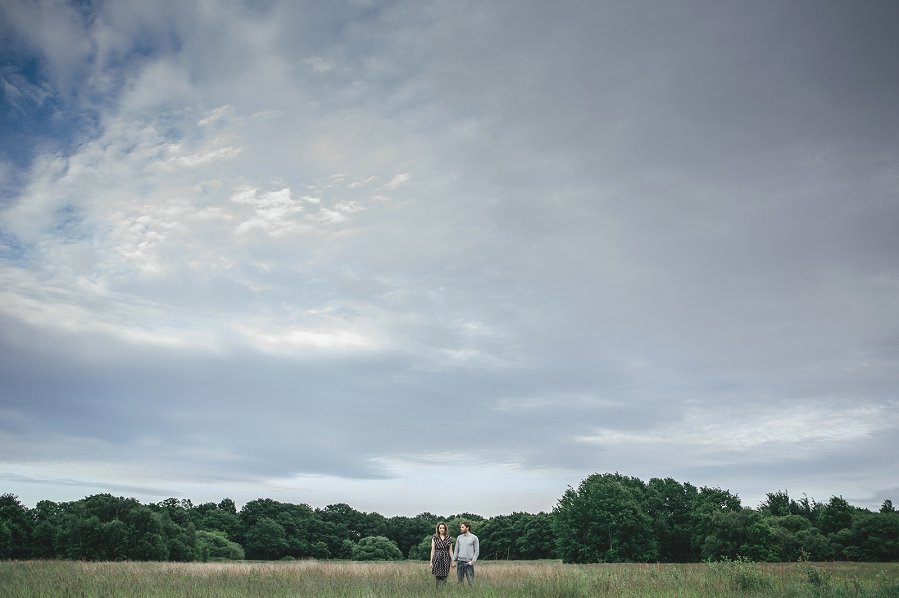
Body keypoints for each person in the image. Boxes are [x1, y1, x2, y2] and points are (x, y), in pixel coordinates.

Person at [429, 522, 454, 587]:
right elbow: (433, 550)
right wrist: (431, 562)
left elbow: (450, 551)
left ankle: (444, 589)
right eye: (440, 528)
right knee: (437, 576)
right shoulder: (434, 538)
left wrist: (453, 561)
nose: (442, 529)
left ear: (445, 529)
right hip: (437, 557)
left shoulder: (449, 538)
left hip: (446, 558)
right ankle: (437, 589)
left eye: (443, 528)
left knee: (445, 575)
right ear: (438, 529)